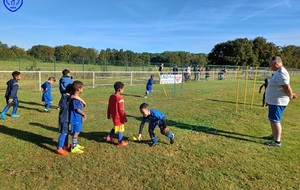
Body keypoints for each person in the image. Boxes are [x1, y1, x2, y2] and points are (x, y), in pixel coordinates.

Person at [263, 56, 298, 147]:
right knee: (272, 119)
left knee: (275, 120)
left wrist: (290, 95)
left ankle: (277, 142)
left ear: (276, 63)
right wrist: (291, 94)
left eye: (270, 63)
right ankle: (273, 136)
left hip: (278, 102)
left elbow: (286, 86)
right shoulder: (278, 72)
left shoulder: (281, 72)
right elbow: (284, 86)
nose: (269, 65)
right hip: (274, 101)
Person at [56, 83, 86, 156]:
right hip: (64, 118)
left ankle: (65, 145)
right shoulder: (66, 96)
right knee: (64, 133)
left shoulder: (66, 96)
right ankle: (59, 148)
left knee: (66, 132)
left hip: (66, 118)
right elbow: (74, 96)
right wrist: (82, 101)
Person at [106, 81, 128, 147]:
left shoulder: (111, 96)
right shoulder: (120, 98)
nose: (123, 90)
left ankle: (109, 137)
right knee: (120, 129)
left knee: (116, 127)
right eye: (123, 89)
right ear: (119, 90)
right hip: (119, 117)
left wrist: (108, 114)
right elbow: (121, 110)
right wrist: (124, 117)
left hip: (114, 116)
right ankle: (120, 142)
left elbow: (109, 106)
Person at [69, 80, 87, 153]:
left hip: (77, 118)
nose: (83, 89)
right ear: (78, 89)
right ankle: (74, 147)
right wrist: (84, 114)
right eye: (82, 88)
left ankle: (75, 144)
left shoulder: (76, 98)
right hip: (75, 118)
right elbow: (77, 110)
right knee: (76, 132)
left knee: (77, 132)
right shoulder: (75, 100)